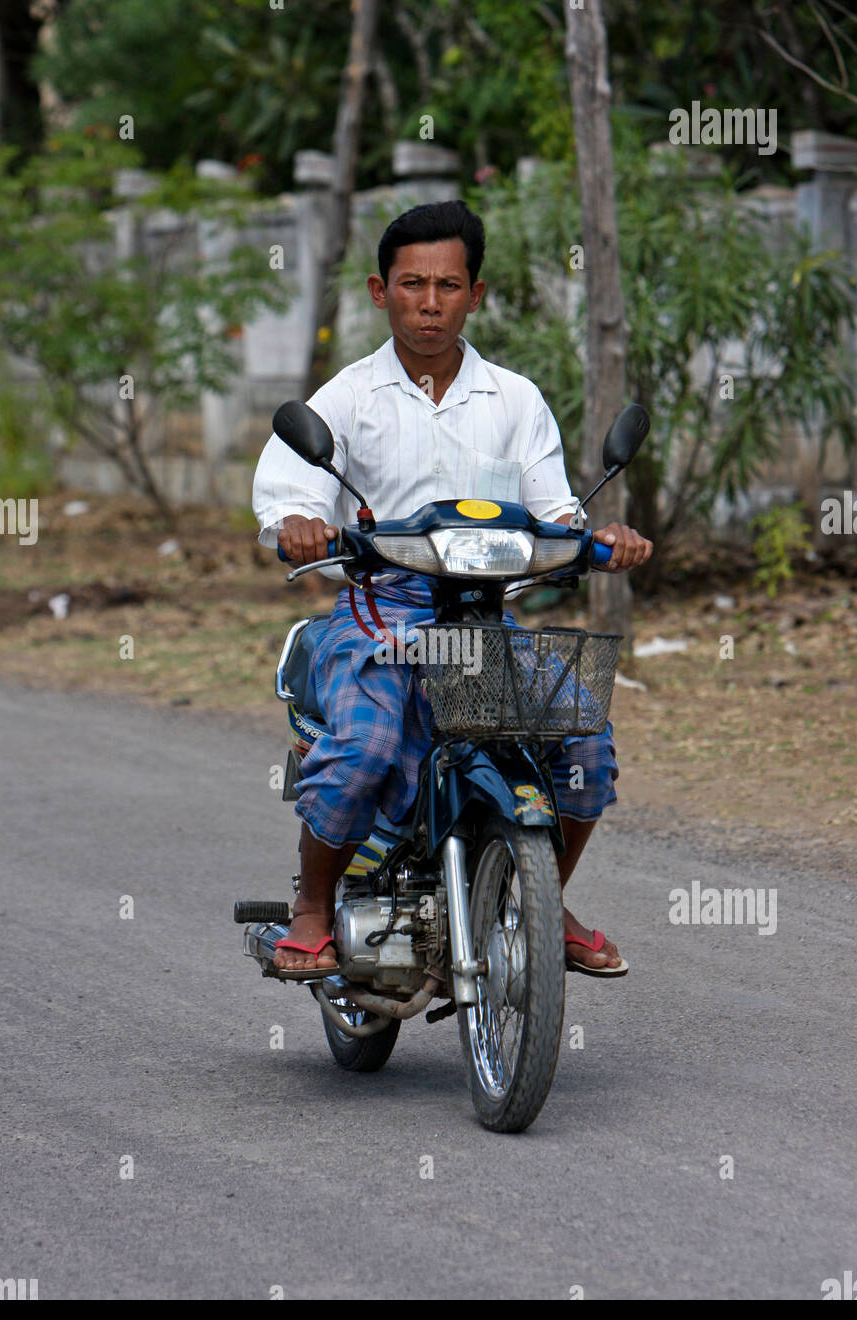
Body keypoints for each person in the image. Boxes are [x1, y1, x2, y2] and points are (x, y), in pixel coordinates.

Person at [253, 200, 652, 982]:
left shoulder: (514, 399)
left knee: (584, 742)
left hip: (482, 618)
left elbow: (555, 507)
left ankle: (537, 901)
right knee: (365, 745)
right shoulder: (347, 398)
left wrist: (596, 536)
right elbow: (286, 490)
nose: (429, 303)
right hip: (382, 611)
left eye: (447, 285)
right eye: (411, 285)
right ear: (379, 291)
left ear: (477, 295)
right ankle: (311, 906)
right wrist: (299, 522)